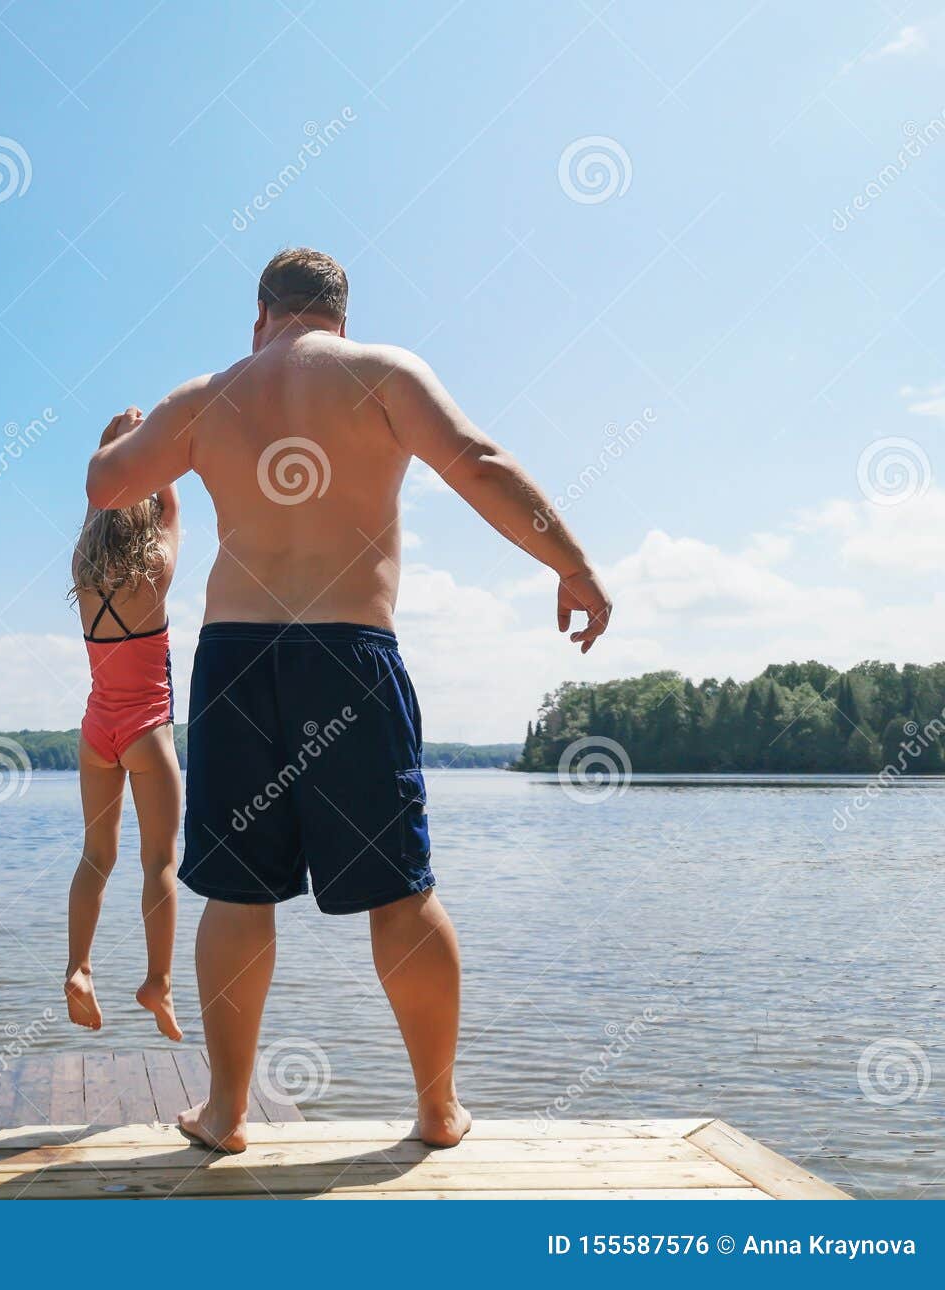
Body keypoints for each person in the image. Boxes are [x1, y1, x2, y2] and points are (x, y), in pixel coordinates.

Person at [85, 248, 612, 1153]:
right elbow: (480, 462)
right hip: (348, 655)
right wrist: (570, 563)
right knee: (400, 896)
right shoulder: (382, 373)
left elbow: (106, 488)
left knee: (237, 896)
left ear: (261, 315)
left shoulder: (204, 398)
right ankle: (439, 1110)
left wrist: (130, 445)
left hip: (236, 662)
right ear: (339, 315)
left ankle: (225, 1115)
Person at [65, 421, 184, 1042]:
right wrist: (148, 447)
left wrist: (109, 444)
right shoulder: (156, 567)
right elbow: (171, 500)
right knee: (159, 861)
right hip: (146, 731)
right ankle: (156, 983)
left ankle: (79, 968)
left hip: (96, 732)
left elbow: (96, 501)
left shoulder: (84, 567)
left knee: (96, 856)